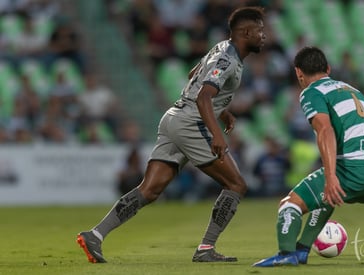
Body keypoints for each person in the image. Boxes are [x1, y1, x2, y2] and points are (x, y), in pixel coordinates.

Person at [77, 6, 266, 263]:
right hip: (191, 122)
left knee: (150, 190)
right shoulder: (229, 60)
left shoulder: (221, 48)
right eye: (259, 30)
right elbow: (203, 96)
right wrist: (217, 134)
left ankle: (95, 235)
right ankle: (206, 248)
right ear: (245, 32)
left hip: (173, 118)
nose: (264, 35)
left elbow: (193, 76)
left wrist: (222, 111)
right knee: (236, 185)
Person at [253, 46, 364, 267]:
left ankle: (285, 253)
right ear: (328, 68)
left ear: (298, 73)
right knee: (328, 197)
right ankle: (302, 250)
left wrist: (330, 175)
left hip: (353, 169)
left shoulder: (312, 92)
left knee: (290, 205)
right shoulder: (354, 90)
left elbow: (325, 131)